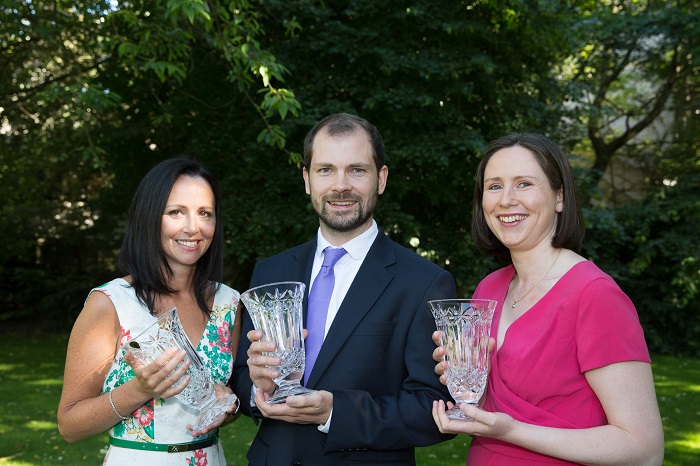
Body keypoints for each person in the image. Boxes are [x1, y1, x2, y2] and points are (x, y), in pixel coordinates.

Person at [230, 112, 457, 465]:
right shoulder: (270, 271)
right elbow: (243, 377)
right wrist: (259, 388)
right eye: (325, 170)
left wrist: (335, 412)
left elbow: (435, 409)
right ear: (307, 179)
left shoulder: (424, 282)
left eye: (357, 170)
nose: (340, 185)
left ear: (381, 178)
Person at [431, 133, 664, 465]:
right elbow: (500, 405)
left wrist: (511, 431)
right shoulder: (489, 289)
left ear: (559, 197)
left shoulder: (594, 294)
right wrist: (468, 392)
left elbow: (644, 450)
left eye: (524, 184)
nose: (506, 200)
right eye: (494, 186)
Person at [57, 157, 241, 465]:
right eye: (175, 212)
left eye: (204, 214)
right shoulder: (111, 303)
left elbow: (224, 399)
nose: (193, 228)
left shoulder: (228, 303)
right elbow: (69, 426)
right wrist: (140, 389)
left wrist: (230, 407)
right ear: (150, 217)